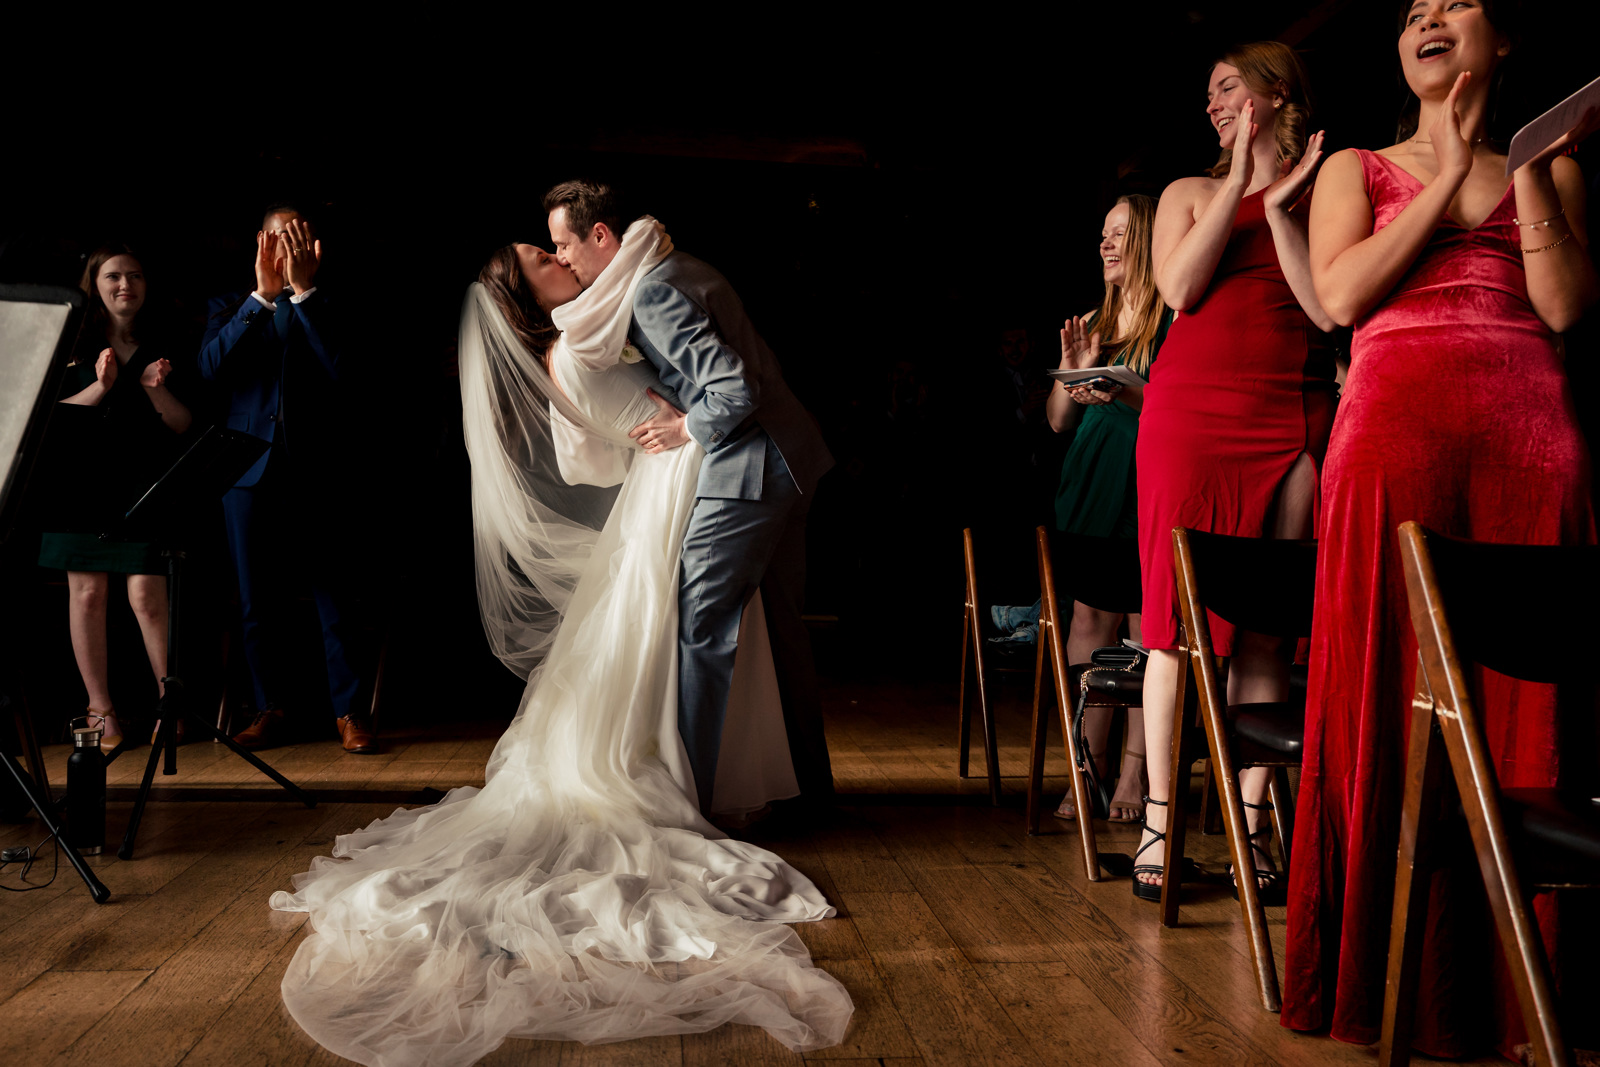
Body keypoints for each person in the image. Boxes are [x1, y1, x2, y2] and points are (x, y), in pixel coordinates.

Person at [270, 221, 851, 1065]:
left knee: (703, 634)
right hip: (680, 477)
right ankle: (706, 785)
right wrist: (674, 427)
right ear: (524, 296)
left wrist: (662, 427)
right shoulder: (576, 351)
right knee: (696, 633)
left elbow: (600, 459)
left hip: (678, 479)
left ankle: (734, 778)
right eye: (542, 260)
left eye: (554, 247)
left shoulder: (582, 342)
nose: (558, 259)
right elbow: (629, 438)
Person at [1284, 1, 1597, 1057]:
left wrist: (1527, 171)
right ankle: (1391, 981)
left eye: (1452, 3)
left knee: (1530, 699)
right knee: (1386, 681)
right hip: (1394, 433)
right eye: (1412, 12)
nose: (1426, 19)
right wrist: (1448, 169)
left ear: (1500, 41)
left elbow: (1563, 306)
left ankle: (1523, 995)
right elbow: (1339, 296)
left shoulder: (1547, 167)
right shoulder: (1355, 167)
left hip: (1530, 443)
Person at [545, 180, 837, 814]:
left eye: (563, 244)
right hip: (790, 457)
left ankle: (692, 800)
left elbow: (734, 387)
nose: (562, 258)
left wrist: (684, 429)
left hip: (752, 466)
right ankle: (810, 795)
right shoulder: (668, 265)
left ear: (601, 236)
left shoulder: (652, 292)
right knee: (782, 629)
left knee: (699, 618)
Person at [1133, 41, 1338, 901]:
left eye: (1226, 87)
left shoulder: (1327, 187)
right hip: (1191, 414)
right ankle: (1159, 822)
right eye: (1209, 93)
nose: (1212, 103)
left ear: (1275, 90)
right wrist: (1240, 179)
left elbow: (1329, 309)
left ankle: (1251, 826)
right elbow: (1180, 289)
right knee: (1174, 624)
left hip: (1292, 407)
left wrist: (1281, 199)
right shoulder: (1188, 190)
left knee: (1269, 627)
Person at [197, 205, 374, 754]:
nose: (288, 246)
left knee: (334, 596)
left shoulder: (333, 304)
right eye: (279, 236)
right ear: (260, 242)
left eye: (299, 236)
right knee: (256, 600)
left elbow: (344, 371)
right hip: (246, 472)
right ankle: (268, 708)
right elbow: (211, 370)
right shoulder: (228, 305)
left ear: (314, 246)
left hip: (317, 470)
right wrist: (261, 298)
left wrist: (303, 294)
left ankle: (350, 712)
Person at [1042, 193, 1174, 822]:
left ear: (1147, 239)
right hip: (1089, 485)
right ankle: (1086, 768)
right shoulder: (1095, 320)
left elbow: (1174, 411)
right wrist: (1072, 372)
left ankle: (1134, 775)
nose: (1106, 243)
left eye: (1119, 233)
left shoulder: (1174, 317)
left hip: (1144, 482)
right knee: (1089, 624)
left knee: (1147, 630)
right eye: (1103, 233)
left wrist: (1122, 392)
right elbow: (1058, 421)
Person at [38, 244, 193, 752]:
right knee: (87, 596)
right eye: (114, 276)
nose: (126, 284)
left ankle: (170, 706)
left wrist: (153, 389)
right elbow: (46, 419)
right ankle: (99, 709)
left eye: (135, 275)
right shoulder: (70, 341)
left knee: (147, 597)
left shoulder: (164, 344)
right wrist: (101, 388)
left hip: (142, 487)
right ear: (95, 284)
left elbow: (182, 424)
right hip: (78, 487)